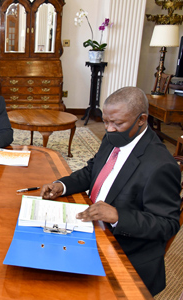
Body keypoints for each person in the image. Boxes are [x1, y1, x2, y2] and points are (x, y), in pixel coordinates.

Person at [40, 87, 181, 296]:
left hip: (125, 248)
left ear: (141, 119)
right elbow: (92, 170)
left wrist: (117, 216)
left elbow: (167, 225)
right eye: (106, 121)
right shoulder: (114, 138)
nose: (109, 128)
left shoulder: (160, 165)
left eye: (118, 123)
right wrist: (63, 185)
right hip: (92, 226)